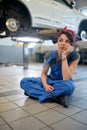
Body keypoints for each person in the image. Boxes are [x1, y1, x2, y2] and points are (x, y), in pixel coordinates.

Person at [20, 27, 80, 107]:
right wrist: (45, 85)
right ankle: (57, 98)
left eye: (67, 41)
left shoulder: (75, 56)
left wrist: (64, 56)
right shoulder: (50, 55)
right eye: (60, 40)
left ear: (71, 44)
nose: (62, 43)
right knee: (24, 82)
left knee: (70, 87)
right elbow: (44, 74)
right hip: (50, 80)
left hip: (63, 83)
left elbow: (66, 78)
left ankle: (34, 93)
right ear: (57, 42)